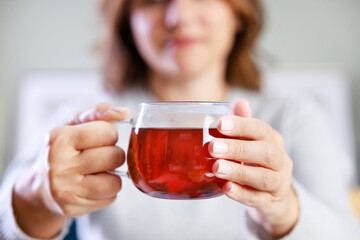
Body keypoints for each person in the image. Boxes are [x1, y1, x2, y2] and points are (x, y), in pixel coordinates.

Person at [0, 0, 359, 239]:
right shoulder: (82, 120)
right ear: (129, 23)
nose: (178, 16)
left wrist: (285, 210)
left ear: (238, 13)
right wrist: (37, 197)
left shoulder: (296, 117)